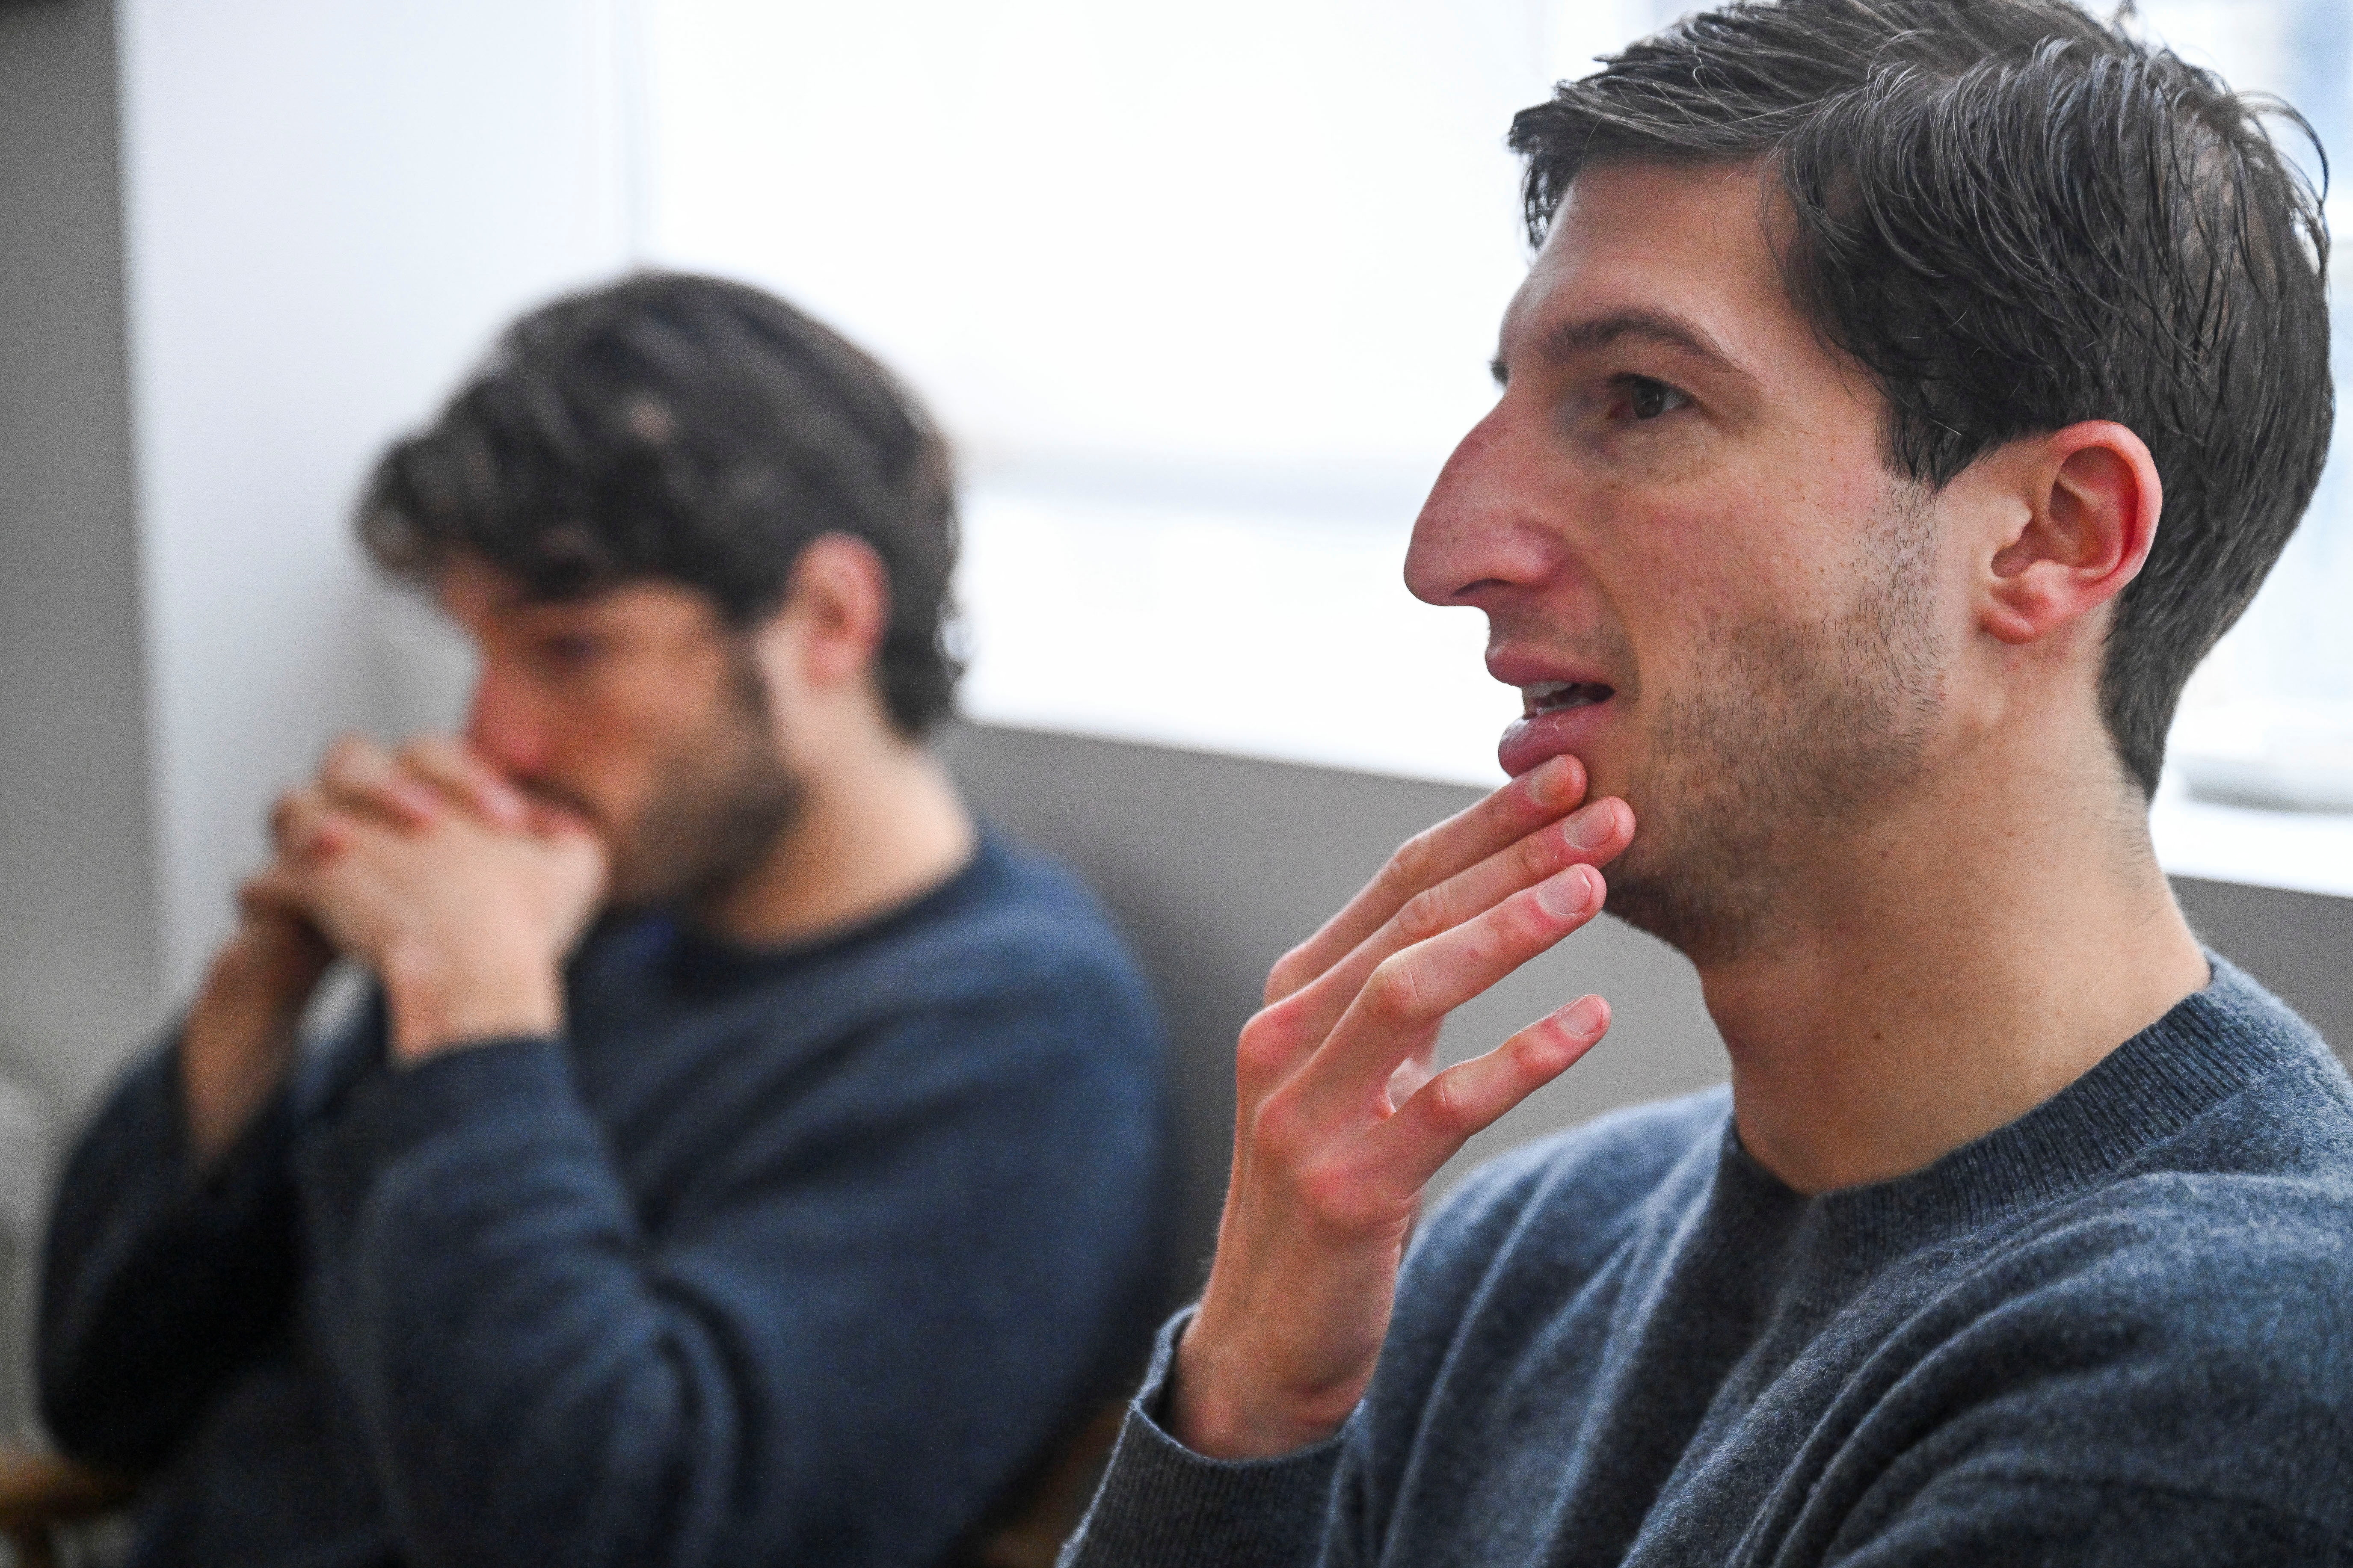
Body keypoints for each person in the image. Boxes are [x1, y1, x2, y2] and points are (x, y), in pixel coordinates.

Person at [1063, 1, 2353, 1563]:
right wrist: (1246, 1407)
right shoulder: (1508, 1259)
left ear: (2048, 534)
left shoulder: (2219, 1385)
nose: (1446, 553)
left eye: (1639, 399)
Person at [39, 274, 1174, 1568]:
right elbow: (101, 1393)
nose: (494, 738)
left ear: (829, 618)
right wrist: (265, 985)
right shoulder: (580, 911)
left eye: (569, 649)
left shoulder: (1020, 1041)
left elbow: (606, 1532)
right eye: (479, 651)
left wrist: (478, 1018)